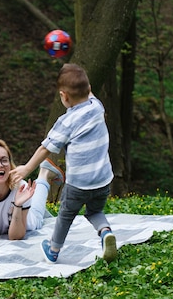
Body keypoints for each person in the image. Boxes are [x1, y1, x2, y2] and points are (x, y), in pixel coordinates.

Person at [10, 63, 117, 263]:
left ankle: (53, 249)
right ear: (88, 90)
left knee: (65, 216)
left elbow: (46, 148)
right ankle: (105, 232)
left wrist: (26, 168)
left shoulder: (66, 122)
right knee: (95, 211)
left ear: (64, 96)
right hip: (103, 180)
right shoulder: (97, 107)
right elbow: (88, 91)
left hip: (79, 184)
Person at [0, 139, 59, 247]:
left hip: (27, 221)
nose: (0, 165)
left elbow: (15, 237)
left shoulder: (20, 187)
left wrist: (18, 205)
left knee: (37, 214)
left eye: (4, 160)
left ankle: (44, 173)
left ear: (10, 164)